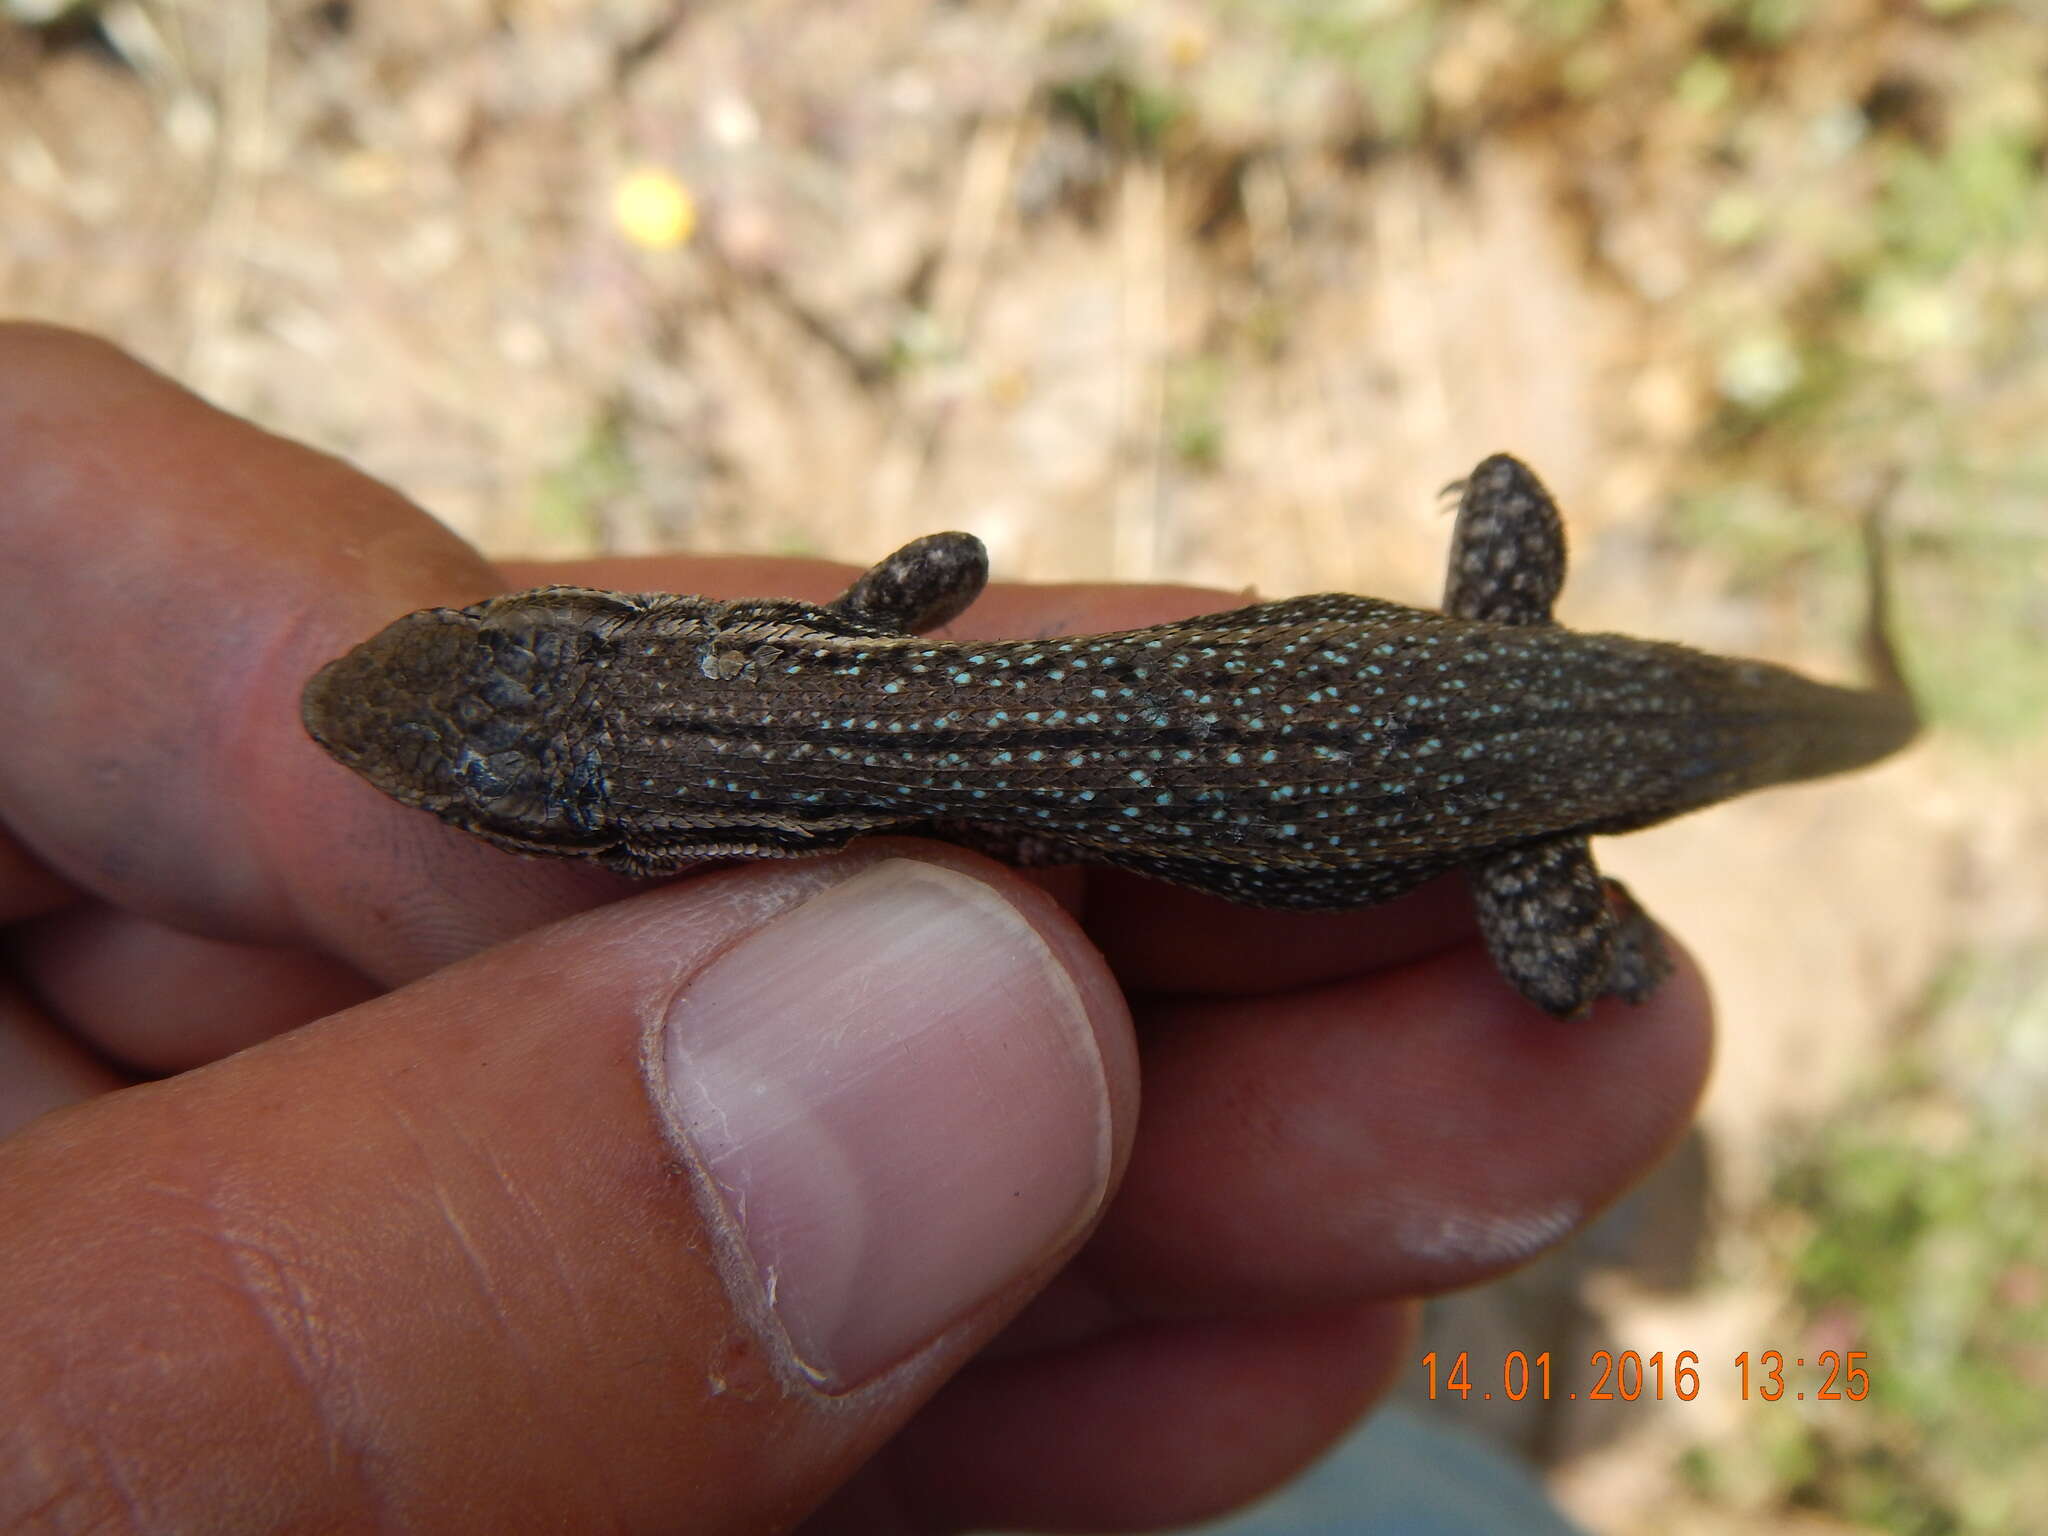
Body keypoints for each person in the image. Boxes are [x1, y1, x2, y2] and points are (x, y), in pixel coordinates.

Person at [0, 324, 1711, 1533]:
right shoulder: (888, 637)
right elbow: (949, 554)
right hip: (1488, 686)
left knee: (1562, 997)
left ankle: (1591, 970)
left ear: (645, 847)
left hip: (1498, 807)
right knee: (1504, 544)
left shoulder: (903, 858)